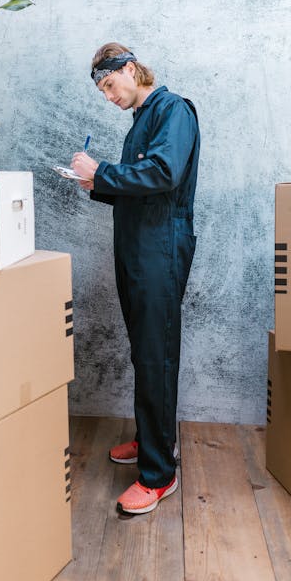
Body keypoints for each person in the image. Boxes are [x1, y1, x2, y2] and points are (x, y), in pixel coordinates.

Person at [71, 42, 200, 515]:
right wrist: (97, 184)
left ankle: (158, 473)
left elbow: (163, 174)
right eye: (102, 90)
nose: (108, 96)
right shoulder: (142, 119)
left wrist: (102, 170)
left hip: (159, 253)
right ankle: (153, 441)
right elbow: (137, 183)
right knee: (145, 352)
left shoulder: (173, 110)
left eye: (109, 85)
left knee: (156, 356)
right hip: (137, 251)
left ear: (129, 69)